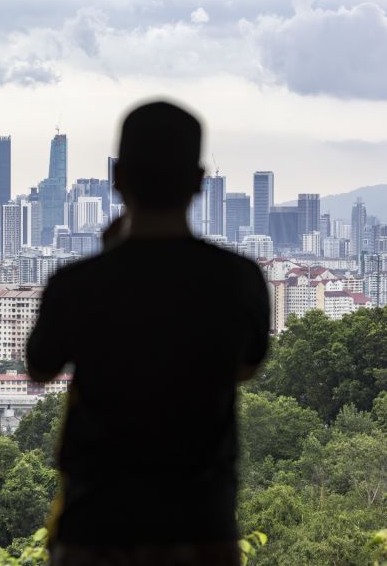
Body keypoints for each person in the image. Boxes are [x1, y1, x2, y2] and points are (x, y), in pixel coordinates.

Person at [27, 101, 269, 566]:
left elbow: (40, 369)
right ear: (200, 182)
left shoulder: (78, 284)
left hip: (95, 523)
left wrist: (111, 257)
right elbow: (246, 367)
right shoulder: (237, 279)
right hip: (201, 524)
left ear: (117, 179)